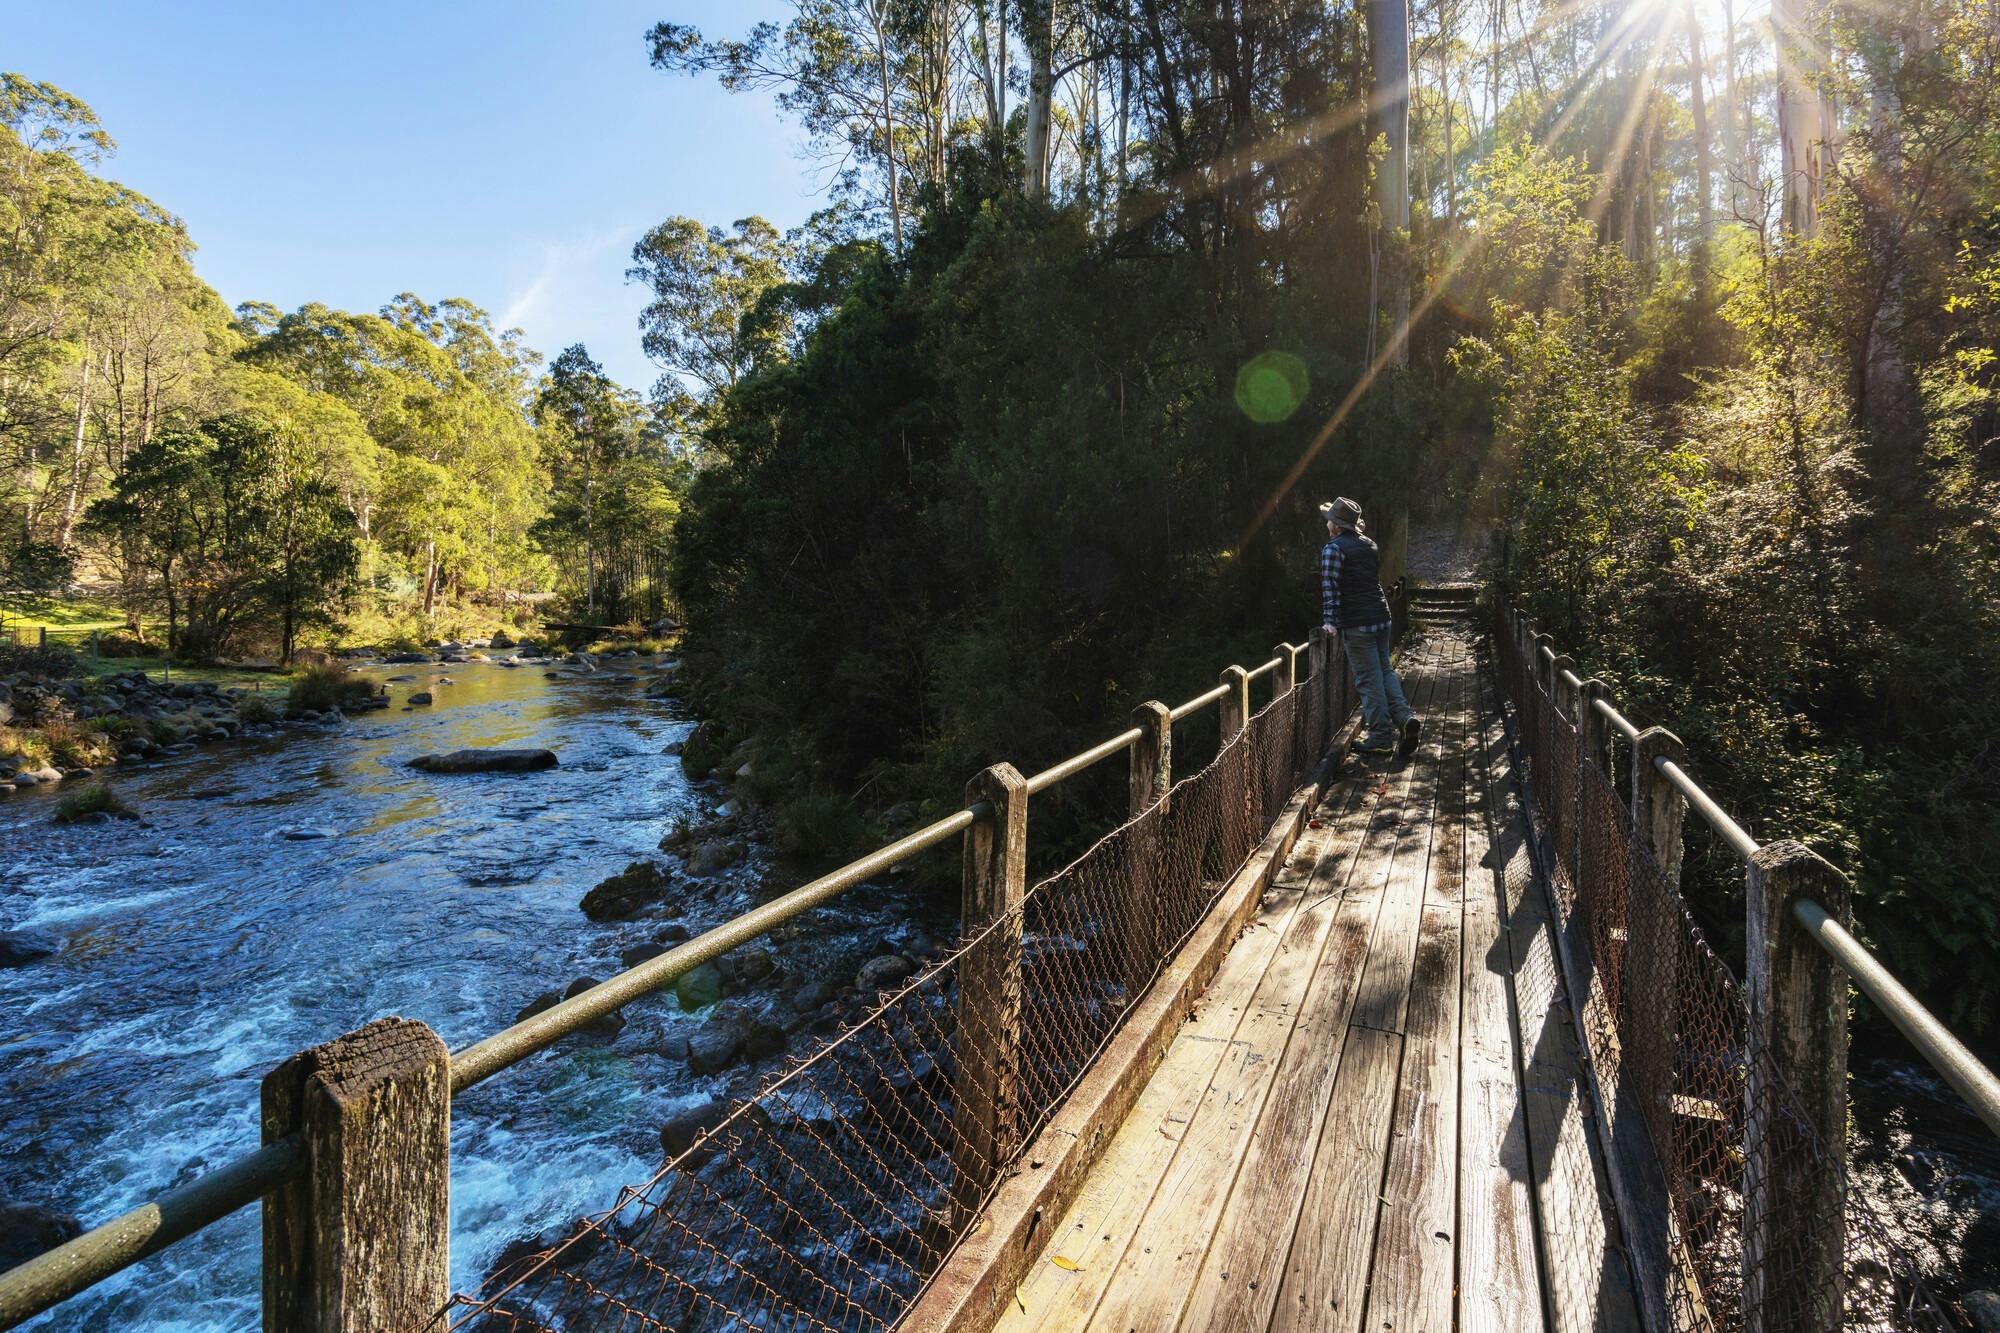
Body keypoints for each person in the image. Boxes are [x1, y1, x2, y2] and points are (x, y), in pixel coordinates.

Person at [1319, 497, 1420, 758]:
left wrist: (1329, 621)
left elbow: (1331, 589)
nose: (1327, 523)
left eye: (1329, 519)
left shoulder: (1333, 549)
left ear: (1336, 525)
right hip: (1381, 616)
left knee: (1368, 679)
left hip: (1358, 623)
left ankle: (1380, 738)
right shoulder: (1369, 544)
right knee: (1384, 670)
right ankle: (1405, 719)